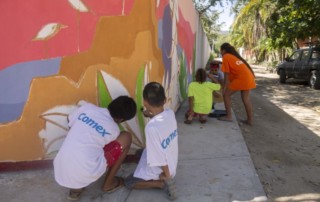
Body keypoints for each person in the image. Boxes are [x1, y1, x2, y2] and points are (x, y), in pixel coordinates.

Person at [53, 96, 137, 201]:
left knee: (84, 147)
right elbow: (109, 148)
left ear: (112, 103)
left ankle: (76, 189)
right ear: (121, 119)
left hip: (61, 167)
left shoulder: (88, 108)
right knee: (126, 137)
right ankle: (108, 184)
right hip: (87, 171)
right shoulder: (114, 129)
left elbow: (69, 121)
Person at [124, 82, 178, 201]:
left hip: (163, 171)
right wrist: (150, 114)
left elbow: (160, 158)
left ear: (145, 102)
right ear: (164, 100)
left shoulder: (151, 128)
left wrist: (167, 177)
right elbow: (161, 125)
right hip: (172, 163)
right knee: (139, 152)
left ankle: (159, 184)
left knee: (129, 182)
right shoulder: (170, 114)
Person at [218, 43, 256, 125]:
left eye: (220, 51)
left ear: (223, 50)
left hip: (241, 79)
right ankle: (250, 120)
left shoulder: (226, 57)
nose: (220, 52)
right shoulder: (233, 56)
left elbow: (226, 75)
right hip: (248, 77)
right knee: (246, 99)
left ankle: (229, 116)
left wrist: (224, 88)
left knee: (226, 95)